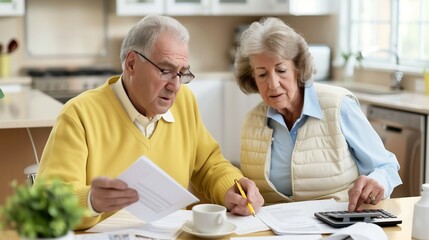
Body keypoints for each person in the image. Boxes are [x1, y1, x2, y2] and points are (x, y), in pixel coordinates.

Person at [36, 15, 264, 230]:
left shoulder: (184, 102)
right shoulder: (80, 114)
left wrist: (232, 188)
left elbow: (208, 165)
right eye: (165, 71)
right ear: (132, 64)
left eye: (181, 73)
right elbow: (46, 202)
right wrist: (90, 201)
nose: (175, 85)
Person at [234, 17, 402, 212]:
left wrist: (377, 180)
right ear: (252, 77)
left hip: (337, 223)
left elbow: (386, 166)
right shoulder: (251, 121)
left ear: (297, 69)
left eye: (281, 70)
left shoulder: (339, 107)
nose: (273, 84)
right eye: (262, 74)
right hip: (275, 228)